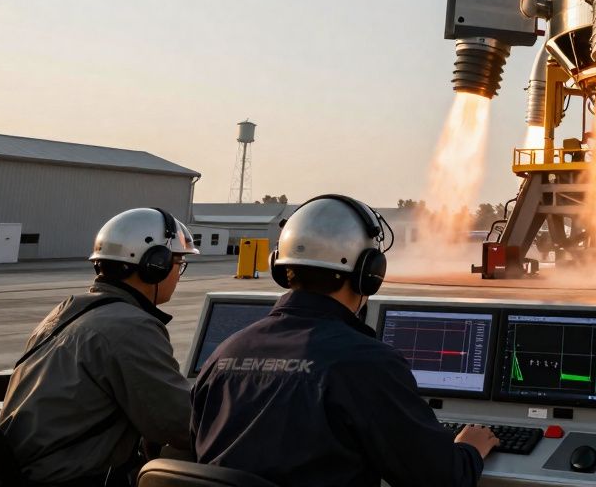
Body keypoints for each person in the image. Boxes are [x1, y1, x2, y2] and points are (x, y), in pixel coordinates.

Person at [191, 194, 498, 487]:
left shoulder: (224, 353)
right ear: (369, 273)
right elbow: (441, 480)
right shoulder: (366, 363)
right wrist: (469, 450)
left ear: (281, 268)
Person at [0, 207, 198, 487]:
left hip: (26, 473)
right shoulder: (131, 326)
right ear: (155, 265)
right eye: (178, 264)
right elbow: (181, 424)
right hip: (74, 478)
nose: (178, 275)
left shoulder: (64, 313)